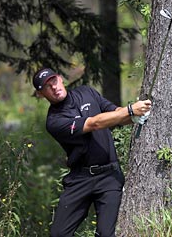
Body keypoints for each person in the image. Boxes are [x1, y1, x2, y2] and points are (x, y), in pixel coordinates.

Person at [32, 67, 151, 237]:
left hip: (109, 176)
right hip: (81, 179)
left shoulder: (86, 92)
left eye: (54, 81)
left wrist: (133, 117)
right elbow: (93, 123)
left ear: (60, 78)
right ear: (41, 94)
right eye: (47, 87)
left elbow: (115, 112)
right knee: (58, 234)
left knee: (105, 234)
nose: (54, 88)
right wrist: (131, 111)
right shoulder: (54, 121)